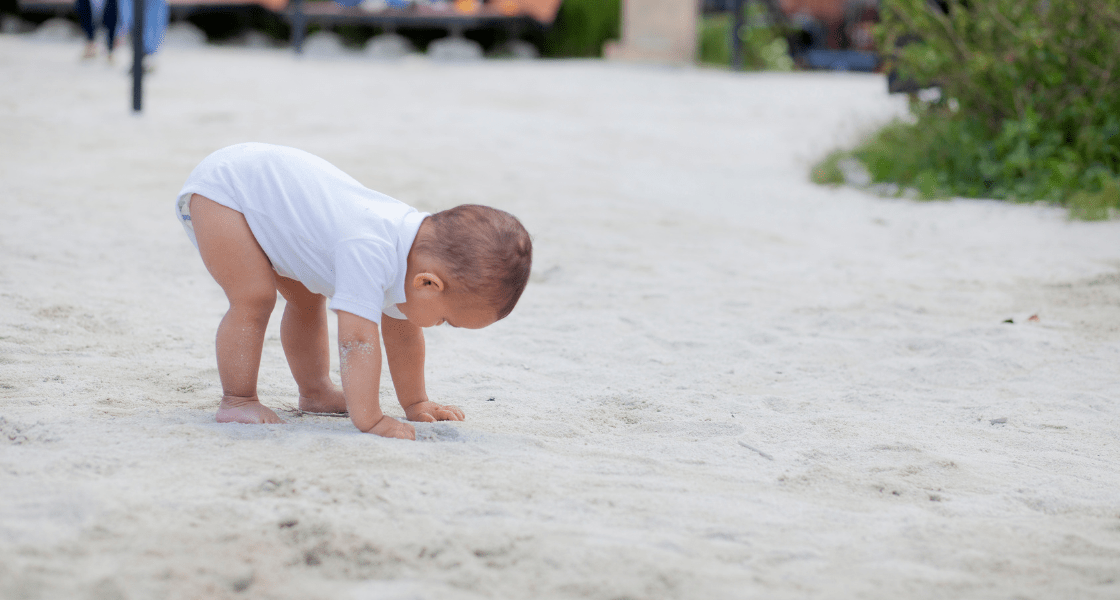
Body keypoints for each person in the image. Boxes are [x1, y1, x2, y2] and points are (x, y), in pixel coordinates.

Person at [176, 143, 532, 440]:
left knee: (306, 297)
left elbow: (403, 333)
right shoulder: (370, 248)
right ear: (428, 283)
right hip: (226, 192)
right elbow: (357, 339)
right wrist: (371, 418)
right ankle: (237, 400)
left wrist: (416, 403)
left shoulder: (412, 258)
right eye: (445, 320)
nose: (437, 325)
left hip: (272, 209)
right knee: (254, 296)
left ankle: (314, 393)